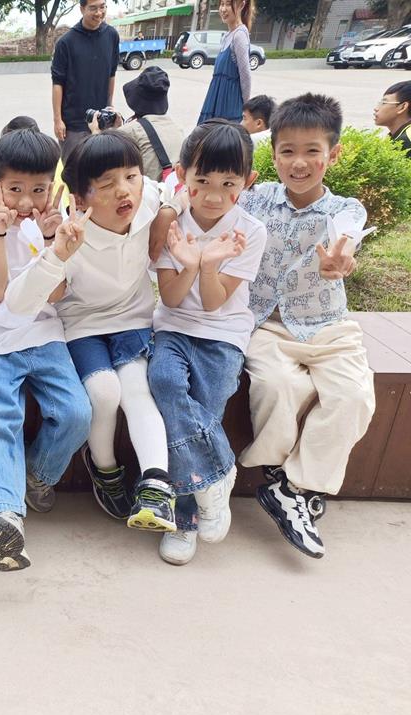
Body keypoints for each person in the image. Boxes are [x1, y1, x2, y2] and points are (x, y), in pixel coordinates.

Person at [5, 132, 186, 533]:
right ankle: (104, 468)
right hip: (83, 326)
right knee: (104, 393)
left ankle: (156, 487)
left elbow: (181, 186)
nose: (124, 191)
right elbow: (19, 301)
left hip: (133, 320)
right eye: (107, 184)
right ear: (80, 199)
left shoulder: (147, 199)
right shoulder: (72, 233)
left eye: (131, 176)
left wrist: (168, 212)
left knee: (137, 391)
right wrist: (57, 253)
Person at [238, 94, 374, 558]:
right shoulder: (256, 199)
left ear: (332, 154)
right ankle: (281, 476)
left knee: (353, 396)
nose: (299, 163)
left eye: (312, 151)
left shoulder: (345, 209)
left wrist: (342, 259)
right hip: (265, 324)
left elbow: (346, 237)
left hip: (327, 325)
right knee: (277, 386)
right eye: (288, 151)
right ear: (273, 154)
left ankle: (293, 488)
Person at [0, 121, 92, 573]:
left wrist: (53, 245)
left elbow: (54, 296)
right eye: (14, 189)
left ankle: (38, 474)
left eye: (38, 190)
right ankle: (5, 515)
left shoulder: (52, 229)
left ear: (52, 188)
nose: (25, 202)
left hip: (44, 337)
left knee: (77, 413)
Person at [148, 120, 266, 566]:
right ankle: (217, 474)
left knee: (208, 403)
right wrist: (190, 263)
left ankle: (188, 515)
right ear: (182, 175)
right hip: (173, 327)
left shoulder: (249, 232)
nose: (214, 195)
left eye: (228, 184)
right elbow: (172, 299)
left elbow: (215, 304)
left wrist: (209, 265)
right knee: (164, 382)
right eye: (203, 181)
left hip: (223, 332)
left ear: (247, 182)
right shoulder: (171, 227)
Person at [51, 0, 120, 170]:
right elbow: (58, 83)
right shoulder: (66, 42)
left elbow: (111, 74)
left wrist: (110, 105)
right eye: (93, 8)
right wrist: (58, 120)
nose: (99, 13)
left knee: (102, 173)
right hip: (73, 124)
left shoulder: (112, 35)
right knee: (74, 173)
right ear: (82, 9)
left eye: (102, 7)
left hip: (102, 120)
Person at [110, 66, 185, 182]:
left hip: (145, 192)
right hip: (172, 191)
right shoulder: (178, 129)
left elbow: (101, 162)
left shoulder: (130, 131)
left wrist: (98, 132)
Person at [197, 0, 253, 123]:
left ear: (241, 5)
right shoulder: (227, 36)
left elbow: (245, 75)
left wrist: (246, 107)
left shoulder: (240, 35)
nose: (223, 9)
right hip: (215, 100)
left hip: (229, 105)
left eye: (228, 4)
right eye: (222, 4)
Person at [373, 81, 411, 157]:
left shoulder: (405, 141)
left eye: (384, 103)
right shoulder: (400, 135)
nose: (376, 109)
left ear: (403, 107)